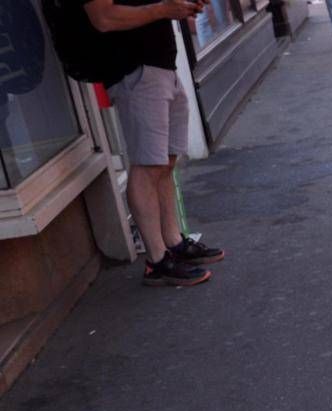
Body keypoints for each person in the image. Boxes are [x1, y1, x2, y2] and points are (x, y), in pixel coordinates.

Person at [80, 0, 225, 287]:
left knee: (164, 162)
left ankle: (173, 242)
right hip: (134, 70)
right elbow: (103, 18)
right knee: (147, 166)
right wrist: (163, 9)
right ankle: (156, 261)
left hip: (161, 66)